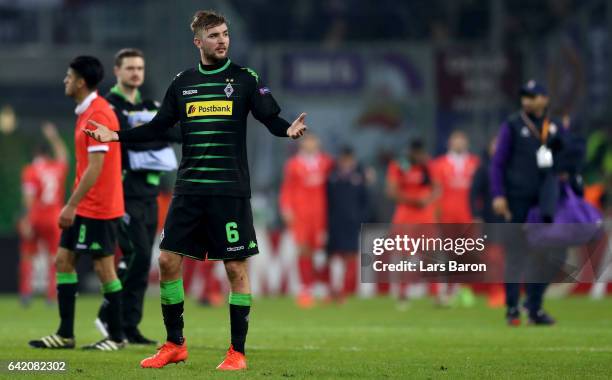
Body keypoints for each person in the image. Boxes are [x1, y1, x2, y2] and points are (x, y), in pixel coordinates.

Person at [84, 10, 308, 370]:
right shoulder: (183, 83)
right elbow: (159, 127)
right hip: (188, 191)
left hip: (229, 191)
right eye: (214, 35)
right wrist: (116, 136)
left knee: (235, 269)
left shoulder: (244, 78)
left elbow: (269, 118)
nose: (222, 41)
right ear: (198, 41)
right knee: (167, 261)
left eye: (225, 34)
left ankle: (237, 352)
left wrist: (287, 130)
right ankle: (175, 344)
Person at [29, 56, 126, 350]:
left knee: (103, 269)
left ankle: (117, 336)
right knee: (63, 260)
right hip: (86, 204)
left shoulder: (98, 113)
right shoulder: (86, 112)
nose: (65, 80)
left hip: (98, 206)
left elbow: (95, 168)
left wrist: (70, 204)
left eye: (69, 76)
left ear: (81, 82)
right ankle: (65, 334)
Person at [95, 48, 180, 345]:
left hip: (149, 192)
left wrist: (141, 133)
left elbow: (175, 133)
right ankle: (109, 314)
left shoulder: (150, 104)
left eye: (140, 68)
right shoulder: (108, 106)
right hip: (122, 191)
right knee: (138, 254)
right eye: (130, 68)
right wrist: (147, 133)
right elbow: (117, 140)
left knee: (142, 262)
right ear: (117, 71)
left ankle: (130, 326)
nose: (136, 73)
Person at [490, 79, 564, 326]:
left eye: (532, 96)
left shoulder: (553, 126)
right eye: (524, 96)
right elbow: (498, 163)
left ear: (544, 99)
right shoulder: (512, 125)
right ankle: (512, 308)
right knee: (516, 254)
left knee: (552, 253)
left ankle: (534, 306)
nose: (527, 100)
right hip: (517, 199)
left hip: (545, 201)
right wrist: (499, 195)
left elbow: (564, 161)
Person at [279, 133, 333, 308]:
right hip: (301, 214)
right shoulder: (293, 164)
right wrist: (286, 208)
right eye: (308, 142)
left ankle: (325, 288)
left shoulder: (326, 163)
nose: (311, 144)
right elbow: (287, 188)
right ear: (302, 144)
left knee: (323, 251)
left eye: (313, 142)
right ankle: (306, 290)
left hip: (321, 214)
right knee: (304, 250)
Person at [18, 122, 68, 307]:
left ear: (35, 154)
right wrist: (53, 136)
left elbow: (28, 197)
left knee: (28, 255)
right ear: (48, 154)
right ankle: (51, 295)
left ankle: (25, 293)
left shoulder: (31, 170)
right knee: (54, 256)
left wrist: (26, 219)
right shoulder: (56, 167)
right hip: (54, 216)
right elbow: (64, 156)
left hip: (36, 215)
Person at [386, 139, 441, 307]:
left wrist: (427, 200)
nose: (418, 157)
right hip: (405, 215)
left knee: (430, 253)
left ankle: (435, 293)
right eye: (415, 154)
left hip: (425, 215)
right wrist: (414, 201)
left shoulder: (428, 165)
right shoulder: (399, 165)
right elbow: (391, 191)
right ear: (410, 152)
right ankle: (403, 293)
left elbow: (438, 188)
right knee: (404, 254)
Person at [326, 146, 369, 302]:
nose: (346, 163)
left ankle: (345, 291)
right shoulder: (332, 177)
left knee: (350, 256)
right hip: (335, 222)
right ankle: (333, 290)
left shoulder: (359, 178)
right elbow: (327, 201)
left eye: (349, 159)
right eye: (343, 159)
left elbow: (365, 202)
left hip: (352, 224)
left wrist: (360, 219)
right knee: (334, 256)